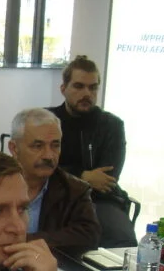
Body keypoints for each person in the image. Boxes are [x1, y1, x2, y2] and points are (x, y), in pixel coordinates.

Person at [49, 55, 137, 247]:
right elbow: (39, 167)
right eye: (79, 86)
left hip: (100, 200)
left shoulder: (112, 125)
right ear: (63, 89)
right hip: (53, 197)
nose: (87, 93)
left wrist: (65, 172)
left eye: (93, 87)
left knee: (124, 241)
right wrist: (83, 175)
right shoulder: (46, 120)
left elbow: (107, 178)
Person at [7, 107, 100, 252]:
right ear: (14, 148)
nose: (49, 156)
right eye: (38, 146)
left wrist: (24, 242)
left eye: (55, 146)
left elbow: (89, 235)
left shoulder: (75, 189)